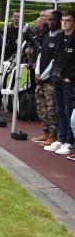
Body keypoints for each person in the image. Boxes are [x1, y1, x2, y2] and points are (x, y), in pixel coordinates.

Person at [46, 10, 75, 156]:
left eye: (68, 20)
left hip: (69, 82)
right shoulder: (59, 37)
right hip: (57, 79)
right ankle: (61, 139)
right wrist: (53, 75)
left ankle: (69, 142)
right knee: (60, 110)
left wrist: (71, 77)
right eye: (63, 20)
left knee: (69, 111)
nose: (64, 22)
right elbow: (55, 58)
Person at [32, 11, 61, 147]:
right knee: (41, 107)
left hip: (50, 81)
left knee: (51, 109)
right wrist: (37, 73)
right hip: (40, 79)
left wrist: (43, 76)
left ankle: (53, 135)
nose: (50, 22)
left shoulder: (60, 37)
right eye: (49, 20)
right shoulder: (45, 36)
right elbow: (39, 56)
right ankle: (45, 131)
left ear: (59, 21)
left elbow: (55, 61)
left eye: (53, 20)